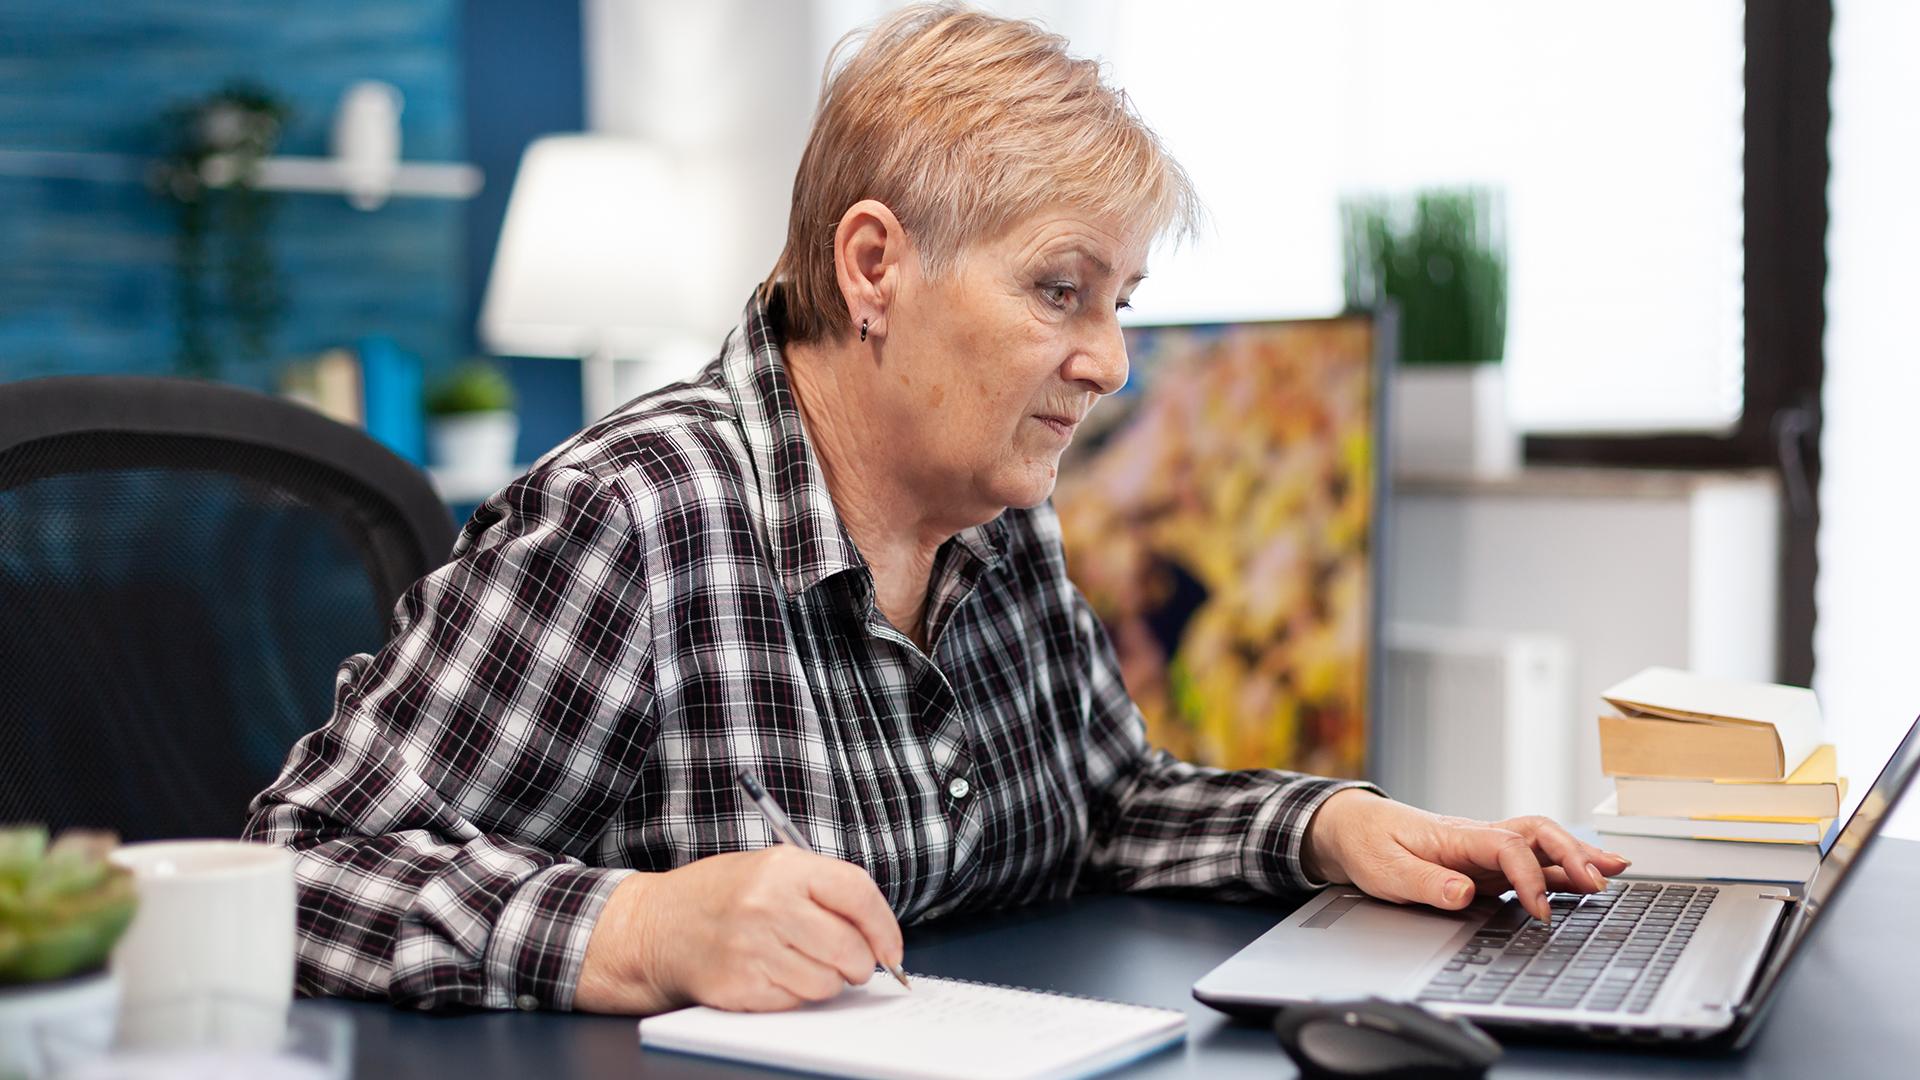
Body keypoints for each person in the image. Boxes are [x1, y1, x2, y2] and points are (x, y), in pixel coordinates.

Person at [244, 3, 1628, 1016]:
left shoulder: (998, 518)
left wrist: (1332, 830)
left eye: (1120, 304)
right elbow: (289, 878)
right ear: (874, 267)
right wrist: (644, 925)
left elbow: (1101, 809)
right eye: (1060, 291)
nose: (1109, 360)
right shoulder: (636, 519)